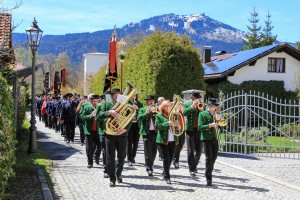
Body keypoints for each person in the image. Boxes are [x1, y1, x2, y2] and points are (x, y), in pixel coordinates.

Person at [99, 88, 131, 187]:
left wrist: (125, 129)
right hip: (109, 135)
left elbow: (130, 117)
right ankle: (112, 178)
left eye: (119, 94)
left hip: (122, 134)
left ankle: (118, 173)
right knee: (110, 157)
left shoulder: (125, 104)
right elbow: (98, 116)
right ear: (112, 95)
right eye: (115, 94)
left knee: (122, 156)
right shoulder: (105, 104)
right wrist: (109, 112)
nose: (117, 96)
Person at [155, 100, 179, 184]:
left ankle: (165, 172)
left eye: (169, 106)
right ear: (162, 107)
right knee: (166, 158)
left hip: (172, 139)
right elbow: (158, 126)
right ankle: (167, 176)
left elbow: (176, 127)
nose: (168, 107)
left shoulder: (173, 115)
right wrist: (167, 123)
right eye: (166, 106)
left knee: (171, 158)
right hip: (162, 140)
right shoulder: (159, 116)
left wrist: (177, 126)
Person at [198, 98, 220, 186]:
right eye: (211, 106)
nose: (213, 108)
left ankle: (208, 171)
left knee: (214, 158)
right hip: (206, 139)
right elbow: (200, 127)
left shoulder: (216, 115)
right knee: (209, 158)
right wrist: (209, 125)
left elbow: (221, 126)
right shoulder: (202, 114)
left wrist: (217, 120)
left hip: (215, 139)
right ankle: (209, 178)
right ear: (208, 106)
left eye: (214, 107)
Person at [183, 91, 203, 176]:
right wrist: (192, 106)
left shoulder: (201, 105)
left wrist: (202, 110)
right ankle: (192, 168)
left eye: (197, 98)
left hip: (199, 130)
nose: (196, 100)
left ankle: (194, 165)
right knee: (191, 151)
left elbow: (205, 115)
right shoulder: (187, 104)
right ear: (192, 98)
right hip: (190, 130)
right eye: (195, 98)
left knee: (199, 151)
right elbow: (184, 113)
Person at [137, 95, 158, 176]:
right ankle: (149, 168)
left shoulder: (157, 110)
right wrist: (146, 113)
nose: (151, 102)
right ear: (147, 102)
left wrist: (156, 112)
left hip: (155, 132)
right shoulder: (142, 109)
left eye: (153, 101)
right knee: (148, 151)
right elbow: (139, 118)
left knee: (154, 151)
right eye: (150, 101)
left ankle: (150, 164)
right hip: (147, 132)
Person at [80, 94, 101, 168]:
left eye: (96, 101)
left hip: (98, 130)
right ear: (90, 101)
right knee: (89, 147)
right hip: (89, 130)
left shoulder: (100, 107)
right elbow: (81, 116)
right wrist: (90, 116)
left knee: (100, 145)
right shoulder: (85, 106)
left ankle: (96, 155)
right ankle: (90, 163)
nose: (95, 103)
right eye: (94, 101)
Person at [127, 94, 143, 166]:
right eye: (132, 96)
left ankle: (133, 157)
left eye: (135, 96)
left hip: (137, 125)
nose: (134, 98)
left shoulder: (139, 104)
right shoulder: (126, 103)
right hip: (129, 125)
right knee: (129, 142)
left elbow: (142, 114)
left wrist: (138, 109)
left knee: (136, 142)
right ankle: (129, 158)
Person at [95, 94, 108, 178]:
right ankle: (106, 169)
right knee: (105, 151)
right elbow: (97, 118)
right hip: (103, 131)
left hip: (115, 132)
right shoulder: (100, 106)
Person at [157, 97, 165, 161]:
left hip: (164, 125)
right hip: (157, 125)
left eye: (163, 101)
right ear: (158, 102)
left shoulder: (166, 107)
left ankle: (162, 154)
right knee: (158, 141)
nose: (162, 102)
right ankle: (160, 154)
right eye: (160, 101)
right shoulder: (156, 107)